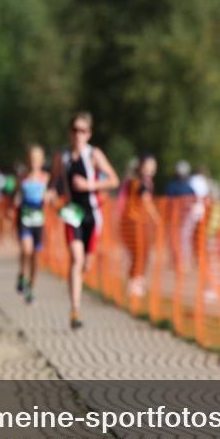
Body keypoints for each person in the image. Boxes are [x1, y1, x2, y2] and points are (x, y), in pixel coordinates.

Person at [54, 112, 119, 329]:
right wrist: (52, 193)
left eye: (83, 130)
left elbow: (113, 180)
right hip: (73, 213)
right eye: (74, 130)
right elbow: (55, 182)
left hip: (93, 215)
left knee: (86, 264)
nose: (78, 134)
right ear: (69, 132)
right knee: (76, 258)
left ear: (89, 134)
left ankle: (77, 296)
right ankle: (75, 310)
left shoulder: (94, 155)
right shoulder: (61, 156)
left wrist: (89, 186)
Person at [118, 154, 160, 300]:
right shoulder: (139, 182)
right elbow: (145, 200)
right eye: (148, 165)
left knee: (141, 253)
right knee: (139, 253)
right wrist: (156, 217)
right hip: (135, 222)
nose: (151, 168)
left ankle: (135, 280)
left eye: (153, 165)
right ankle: (135, 283)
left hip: (139, 223)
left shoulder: (145, 182)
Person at [14, 145, 52, 305]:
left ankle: (32, 286)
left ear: (42, 161)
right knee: (26, 249)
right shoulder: (22, 178)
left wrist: (49, 197)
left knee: (36, 257)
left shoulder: (46, 178)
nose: (33, 162)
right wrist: (14, 204)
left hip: (39, 221)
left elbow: (51, 196)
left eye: (36, 159)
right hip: (24, 219)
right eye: (31, 159)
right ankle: (22, 273)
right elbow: (17, 195)